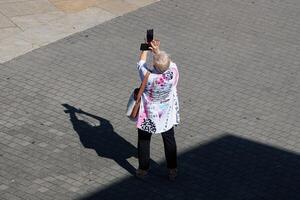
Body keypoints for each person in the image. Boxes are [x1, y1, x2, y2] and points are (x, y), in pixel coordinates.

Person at [135, 39, 180, 181]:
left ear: (154, 64)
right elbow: (168, 62)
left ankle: (143, 169)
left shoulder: (148, 77)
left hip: (148, 114)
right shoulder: (173, 73)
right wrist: (157, 51)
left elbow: (141, 63)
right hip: (166, 114)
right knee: (169, 139)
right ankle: (172, 170)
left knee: (144, 140)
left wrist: (145, 49)